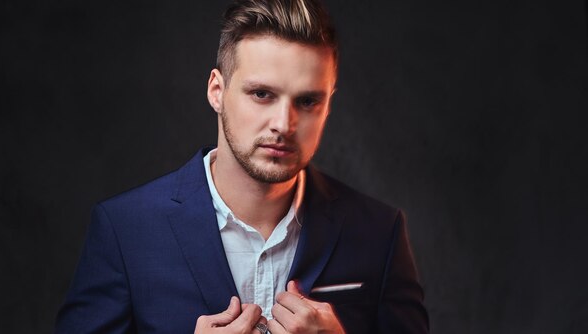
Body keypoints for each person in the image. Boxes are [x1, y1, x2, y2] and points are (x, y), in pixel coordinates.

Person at [56, 0, 429, 333]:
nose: (284, 124)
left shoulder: (380, 231)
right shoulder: (126, 229)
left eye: (308, 101)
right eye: (262, 94)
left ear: (328, 105)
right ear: (217, 91)